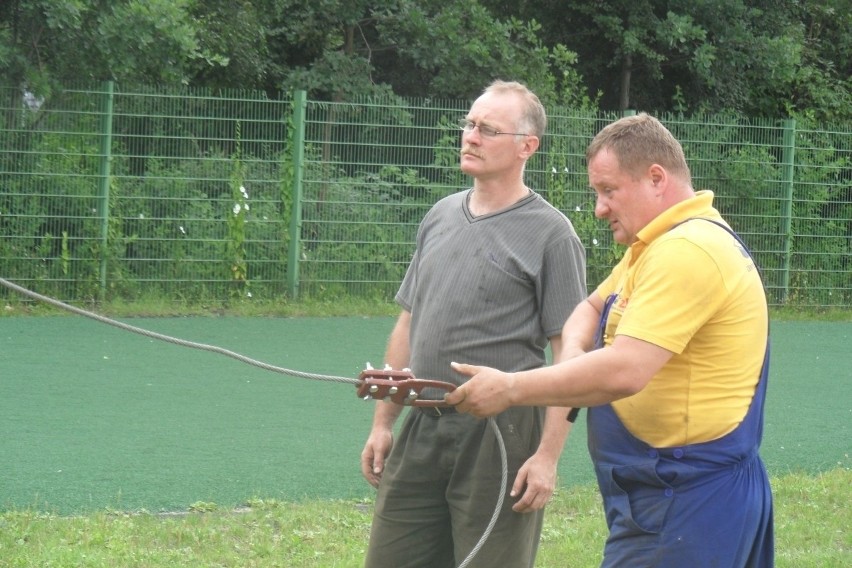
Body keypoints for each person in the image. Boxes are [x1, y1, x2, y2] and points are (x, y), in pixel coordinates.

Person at [447, 113, 774, 567]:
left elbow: (625, 370)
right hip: (667, 495)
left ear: (656, 178)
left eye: (608, 191)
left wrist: (510, 388)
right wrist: (575, 356)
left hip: (689, 499)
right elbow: (591, 307)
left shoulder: (687, 251)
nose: (599, 208)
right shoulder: (657, 244)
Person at [360, 80, 587, 568]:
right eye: (469, 124)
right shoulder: (440, 215)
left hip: (500, 436)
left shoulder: (552, 234)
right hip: (423, 424)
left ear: (527, 146)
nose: (470, 136)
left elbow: (571, 355)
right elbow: (408, 325)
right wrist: (384, 423)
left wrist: (547, 457)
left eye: (487, 129)